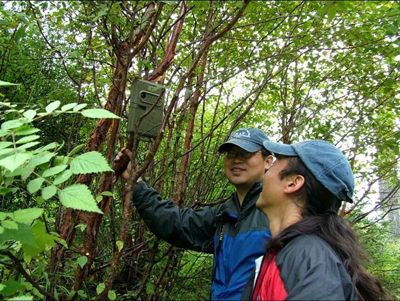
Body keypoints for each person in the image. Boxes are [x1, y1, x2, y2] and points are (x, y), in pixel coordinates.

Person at [115, 128, 273, 300]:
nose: (236, 159)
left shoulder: (279, 213)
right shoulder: (225, 214)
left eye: (245, 153)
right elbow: (177, 223)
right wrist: (136, 182)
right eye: (231, 153)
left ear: (268, 161)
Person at [241, 139, 392, 300]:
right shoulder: (293, 253)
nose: (267, 171)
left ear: (293, 183)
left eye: (277, 161)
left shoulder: (308, 255)